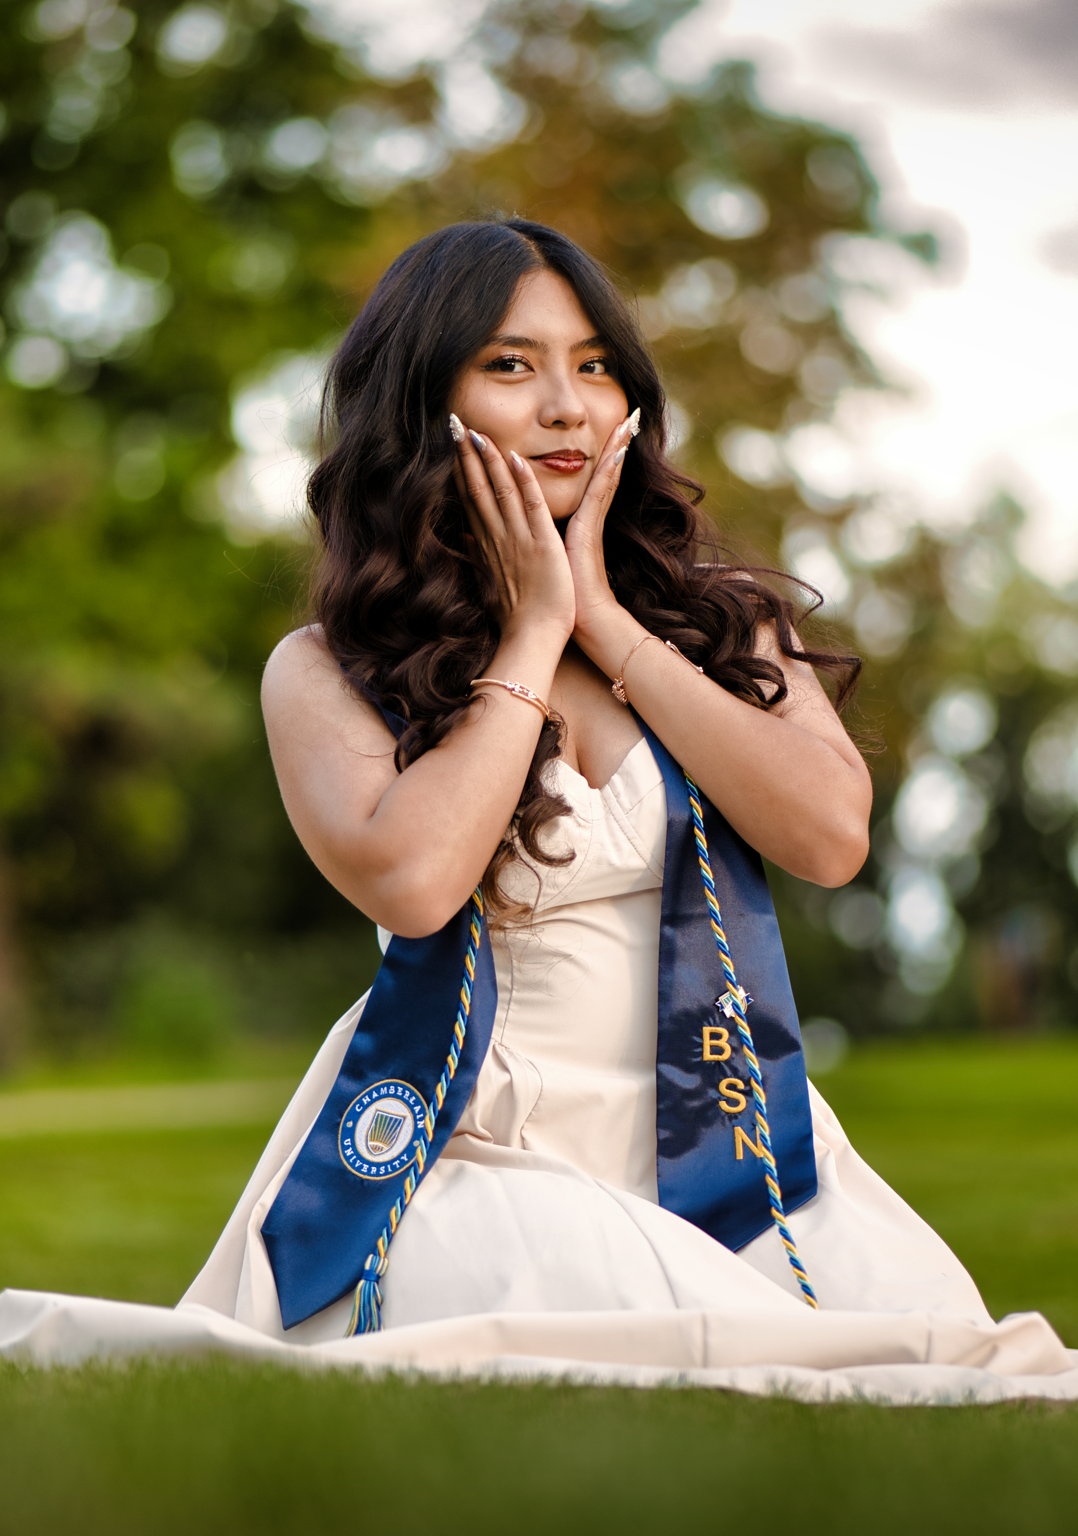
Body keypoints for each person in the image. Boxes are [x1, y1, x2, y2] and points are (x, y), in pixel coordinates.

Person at [3, 220, 1075, 1402]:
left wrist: (607, 624)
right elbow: (414, 882)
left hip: (730, 1124)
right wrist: (532, 630)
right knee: (646, 1337)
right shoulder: (328, 669)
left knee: (921, 1348)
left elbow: (828, 838)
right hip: (481, 1136)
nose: (566, 405)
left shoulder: (725, 625)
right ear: (423, 402)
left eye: (595, 364)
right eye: (510, 365)